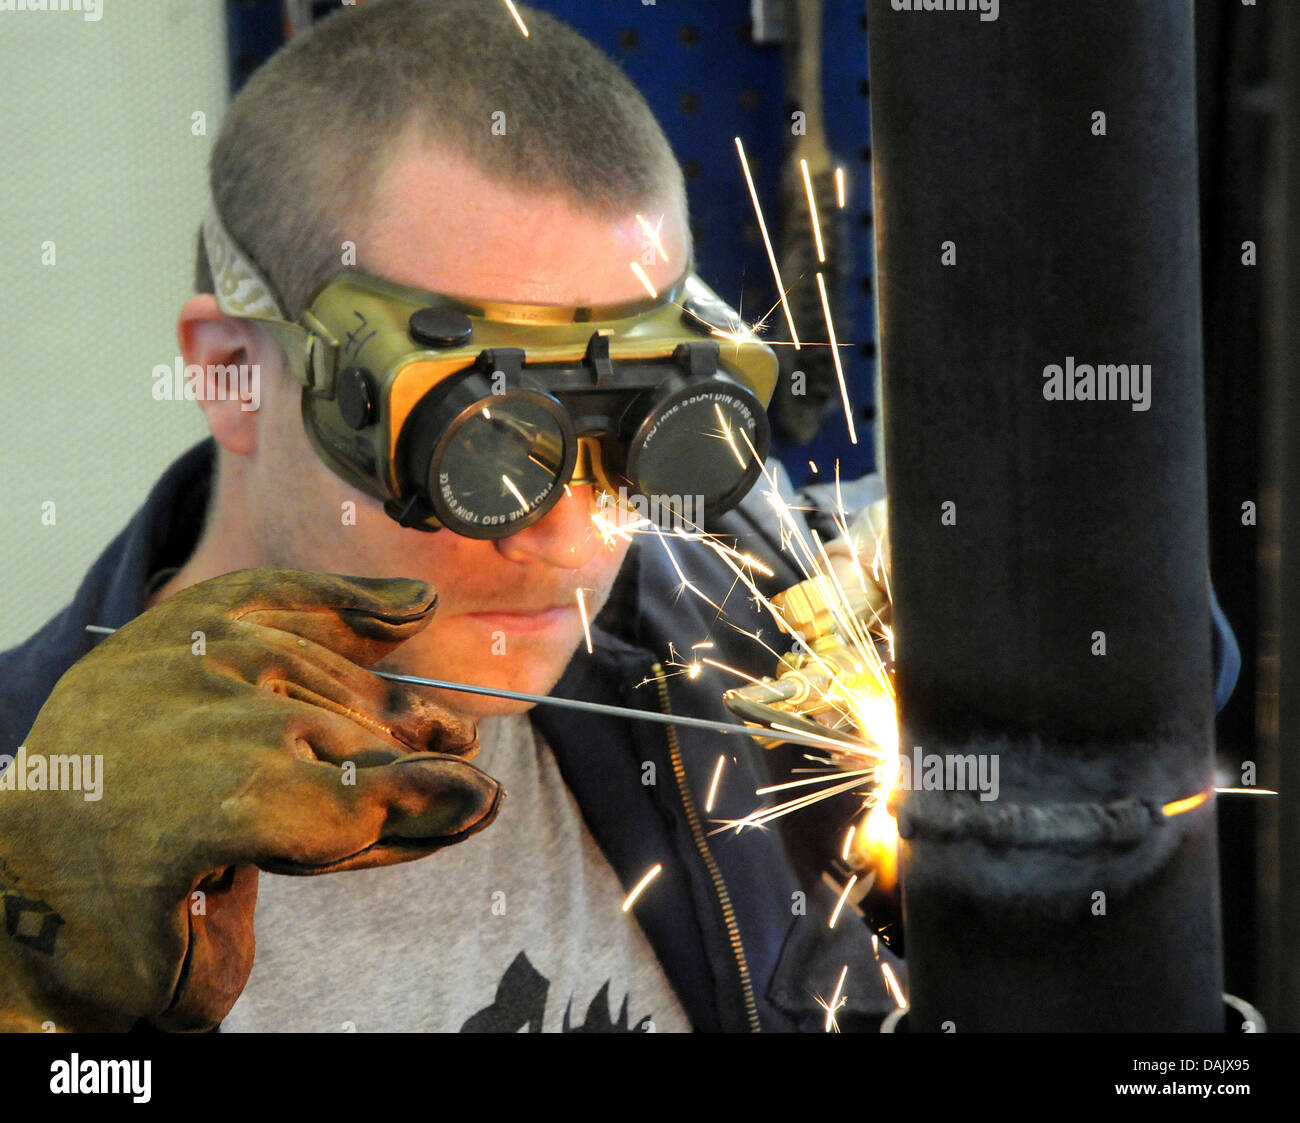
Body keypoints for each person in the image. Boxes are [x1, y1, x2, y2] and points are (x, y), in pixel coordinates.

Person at [0, 0, 902, 1033]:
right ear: (234, 375)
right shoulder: (31, 831)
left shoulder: (761, 668)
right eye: (481, 442)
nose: (569, 538)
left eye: (633, 432)